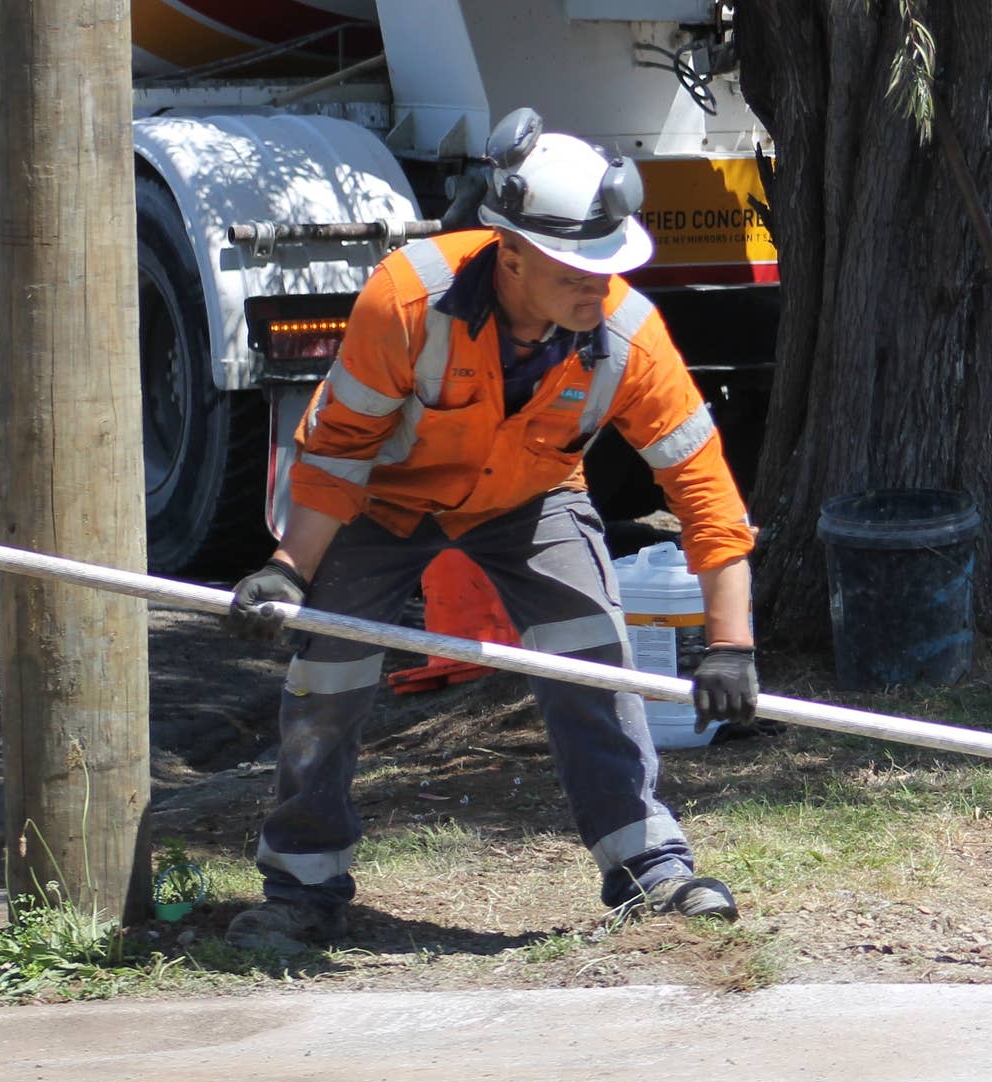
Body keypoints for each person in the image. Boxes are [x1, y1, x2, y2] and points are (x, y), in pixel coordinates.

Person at [220, 110, 759, 952]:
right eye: (579, 270)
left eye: (610, 267)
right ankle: (303, 886)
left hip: (531, 500)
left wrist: (731, 646)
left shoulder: (628, 335)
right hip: (383, 503)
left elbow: (706, 496)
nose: (599, 288)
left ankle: (648, 866)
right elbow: (339, 453)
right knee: (327, 675)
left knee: (593, 656)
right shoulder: (404, 299)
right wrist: (289, 570)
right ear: (510, 254)